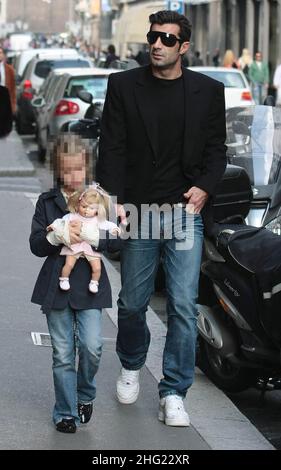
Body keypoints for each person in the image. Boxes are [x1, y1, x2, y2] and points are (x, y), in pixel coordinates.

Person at [97, 10, 226, 427]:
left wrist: (205, 186)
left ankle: (173, 391)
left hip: (184, 214)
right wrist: (112, 200)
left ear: (183, 47)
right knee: (132, 304)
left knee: (184, 306)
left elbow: (216, 150)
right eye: (154, 36)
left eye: (168, 39)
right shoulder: (122, 85)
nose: (158, 44)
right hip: (138, 212)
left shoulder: (207, 91)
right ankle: (132, 363)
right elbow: (111, 146)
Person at [30, 133, 120, 433]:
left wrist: (95, 237)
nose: (72, 176)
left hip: (91, 286)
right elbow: (36, 245)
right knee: (63, 353)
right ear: (57, 169)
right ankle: (65, 412)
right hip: (57, 284)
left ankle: (85, 394)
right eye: (66, 170)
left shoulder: (99, 199)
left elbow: (118, 242)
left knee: (92, 346)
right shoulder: (47, 201)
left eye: (78, 169)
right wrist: (55, 236)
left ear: (87, 168)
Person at [47, 185, 119, 293]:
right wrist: (53, 226)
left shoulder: (98, 220)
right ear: (78, 204)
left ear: (97, 210)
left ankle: (94, 282)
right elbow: (61, 221)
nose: (86, 211)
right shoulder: (73, 216)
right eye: (84, 206)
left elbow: (108, 225)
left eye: (91, 208)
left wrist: (115, 229)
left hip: (90, 248)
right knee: (69, 264)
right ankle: (64, 279)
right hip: (75, 246)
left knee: (97, 268)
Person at [0, 47, 16, 115]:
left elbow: (13, 89)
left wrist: (13, 105)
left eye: (0, 53)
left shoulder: (9, 69)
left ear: (3, 55)